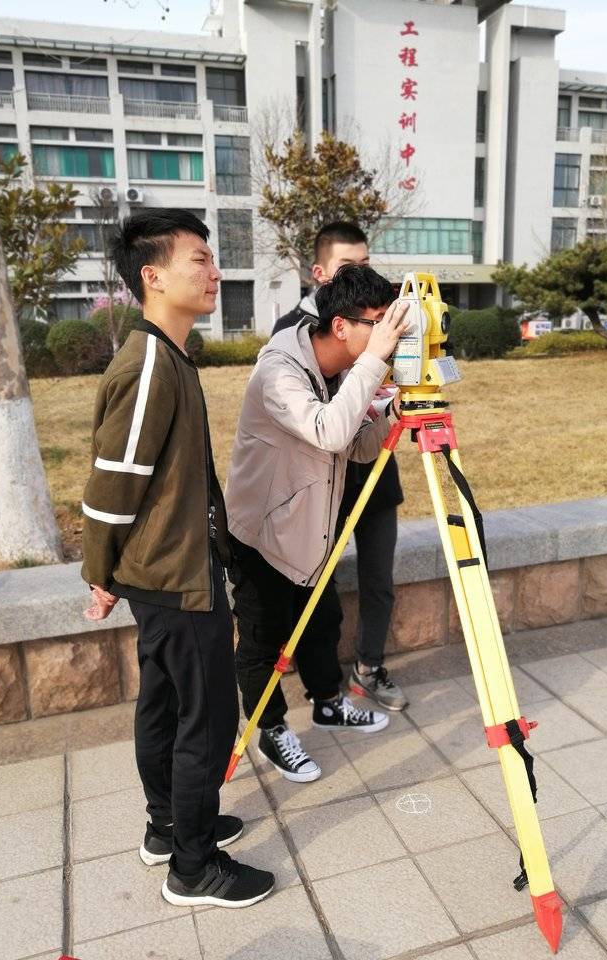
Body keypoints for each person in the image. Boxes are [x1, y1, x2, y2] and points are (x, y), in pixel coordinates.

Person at [80, 209, 274, 909]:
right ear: (153, 276)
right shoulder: (149, 365)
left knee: (164, 706)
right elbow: (113, 483)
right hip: (174, 577)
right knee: (206, 720)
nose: (214, 271)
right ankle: (194, 868)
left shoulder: (168, 356)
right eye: (200, 259)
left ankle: (168, 828)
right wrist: (99, 574)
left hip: (170, 570)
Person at [226, 264, 409, 783]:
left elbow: (357, 448)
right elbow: (328, 431)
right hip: (262, 532)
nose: (388, 332)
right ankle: (271, 730)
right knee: (263, 639)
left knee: (322, 621)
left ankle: (328, 703)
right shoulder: (279, 371)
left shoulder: (344, 370)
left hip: (311, 528)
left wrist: (396, 411)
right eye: (377, 321)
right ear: (341, 326)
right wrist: (373, 364)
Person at [273, 222, 408, 712]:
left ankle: (370, 668)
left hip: (374, 474)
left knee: (378, 580)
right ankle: (323, 683)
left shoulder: (382, 320)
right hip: (319, 482)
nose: (361, 273)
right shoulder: (290, 334)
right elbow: (315, 423)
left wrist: (395, 398)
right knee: (316, 588)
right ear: (320, 272)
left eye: (366, 263)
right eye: (349, 266)